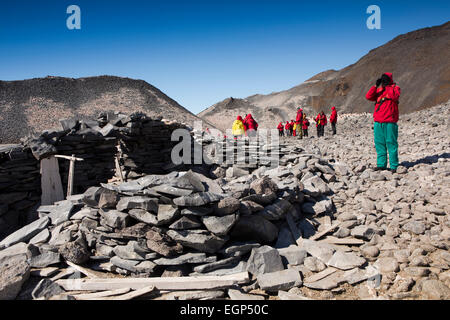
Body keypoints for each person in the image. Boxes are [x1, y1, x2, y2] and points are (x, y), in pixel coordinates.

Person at [365, 72, 401, 172]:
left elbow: (394, 96)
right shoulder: (379, 90)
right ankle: (381, 164)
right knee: (379, 143)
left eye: (385, 79)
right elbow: (368, 96)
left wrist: (388, 85)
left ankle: (394, 166)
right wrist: (375, 86)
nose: (384, 81)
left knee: (391, 143)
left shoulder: (395, 88)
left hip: (390, 121)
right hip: (378, 122)